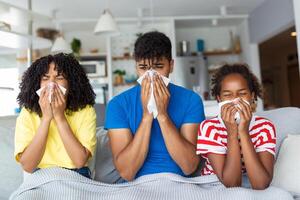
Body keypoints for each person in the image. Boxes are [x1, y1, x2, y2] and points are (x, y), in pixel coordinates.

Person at [105, 31, 205, 181]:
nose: (151, 75)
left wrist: (163, 115)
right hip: (137, 184)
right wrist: (147, 116)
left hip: (180, 182)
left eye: (158, 66)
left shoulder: (191, 100)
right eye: (143, 67)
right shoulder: (117, 105)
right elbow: (126, 172)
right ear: (136, 68)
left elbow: (189, 166)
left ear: (171, 66)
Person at [15, 53, 97, 178]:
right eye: (45, 78)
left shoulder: (86, 111)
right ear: (36, 83)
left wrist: (60, 117)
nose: (51, 84)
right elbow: (28, 166)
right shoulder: (27, 113)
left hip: (76, 175)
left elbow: (80, 162)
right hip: (39, 174)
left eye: (59, 77)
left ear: (72, 83)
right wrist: (46, 119)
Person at [196, 64, 276, 189]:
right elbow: (232, 184)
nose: (235, 100)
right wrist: (232, 132)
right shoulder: (209, 128)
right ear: (219, 99)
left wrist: (243, 132)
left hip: (251, 184)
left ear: (252, 96)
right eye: (227, 95)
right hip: (215, 185)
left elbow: (261, 184)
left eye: (242, 93)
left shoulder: (265, 127)